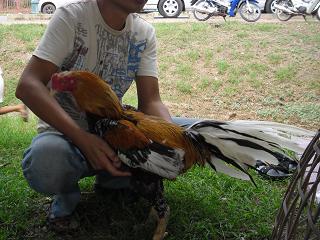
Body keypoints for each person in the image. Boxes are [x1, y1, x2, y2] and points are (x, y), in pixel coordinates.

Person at [16, 0, 197, 232]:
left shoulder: (143, 32)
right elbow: (27, 85)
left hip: (114, 132)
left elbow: (151, 101)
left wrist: (174, 139)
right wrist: (82, 138)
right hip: (66, 136)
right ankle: (68, 196)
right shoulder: (72, 17)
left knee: (194, 131)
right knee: (47, 161)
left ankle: (114, 182)